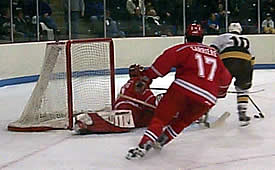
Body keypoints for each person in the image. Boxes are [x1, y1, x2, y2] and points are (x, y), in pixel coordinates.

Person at [125, 23, 232, 160]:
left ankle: (143, 146)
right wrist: (219, 93)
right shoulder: (216, 56)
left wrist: (147, 77)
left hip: (183, 88)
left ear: (186, 37)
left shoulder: (184, 48)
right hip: (208, 98)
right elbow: (225, 79)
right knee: (182, 121)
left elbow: (163, 63)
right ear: (202, 38)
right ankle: (163, 140)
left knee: (161, 118)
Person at [74, 64, 158, 134]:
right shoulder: (139, 84)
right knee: (122, 124)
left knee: (149, 117)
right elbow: (151, 101)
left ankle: (92, 122)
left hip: (124, 106)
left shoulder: (130, 83)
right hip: (129, 108)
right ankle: (88, 123)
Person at [210, 22, 255, 124]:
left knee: (214, 86)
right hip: (246, 63)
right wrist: (247, 75)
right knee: (243, 88)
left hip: (227, 61)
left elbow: (212, 50)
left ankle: (203, 111)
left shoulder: (223, 36)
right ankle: (242, 112)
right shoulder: (246, 39)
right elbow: (252, 58)